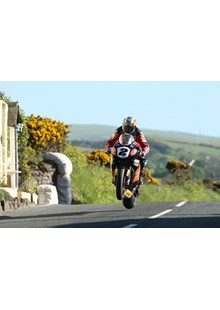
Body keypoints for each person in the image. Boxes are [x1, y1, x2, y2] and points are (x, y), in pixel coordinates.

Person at [105, 116, 150, 184]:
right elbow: (110, 141)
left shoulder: (138, 132)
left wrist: (144, 152)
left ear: (134, 127)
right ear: (123, 126)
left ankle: (140, 176)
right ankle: (114, 176)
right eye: (126, 127)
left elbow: (145, 144)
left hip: (133, 148)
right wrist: (109, 147)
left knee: (143, 159)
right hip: (121, 146)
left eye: (130, 128)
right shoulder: (118, 130)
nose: (128, 130)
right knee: (113, 156)